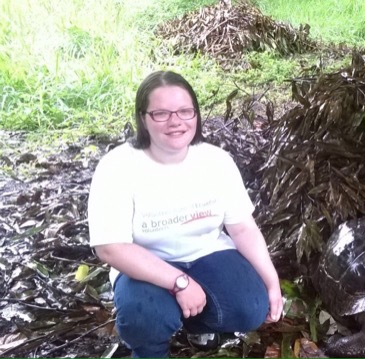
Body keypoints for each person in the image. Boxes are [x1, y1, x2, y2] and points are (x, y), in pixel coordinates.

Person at [87, 70, 283, 358]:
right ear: (143, 118)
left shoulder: (216, 161)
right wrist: (180, 283)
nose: (176, 121)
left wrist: (272, 282)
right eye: (161, 113)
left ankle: (193, 321)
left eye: (184, 111)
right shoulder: (117, 167)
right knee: (145, 318)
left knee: (252, 307)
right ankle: (150, 346)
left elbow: (243, 229)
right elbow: (110, 248)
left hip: (207, 254)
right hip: (146, 264)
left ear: (196, 114)